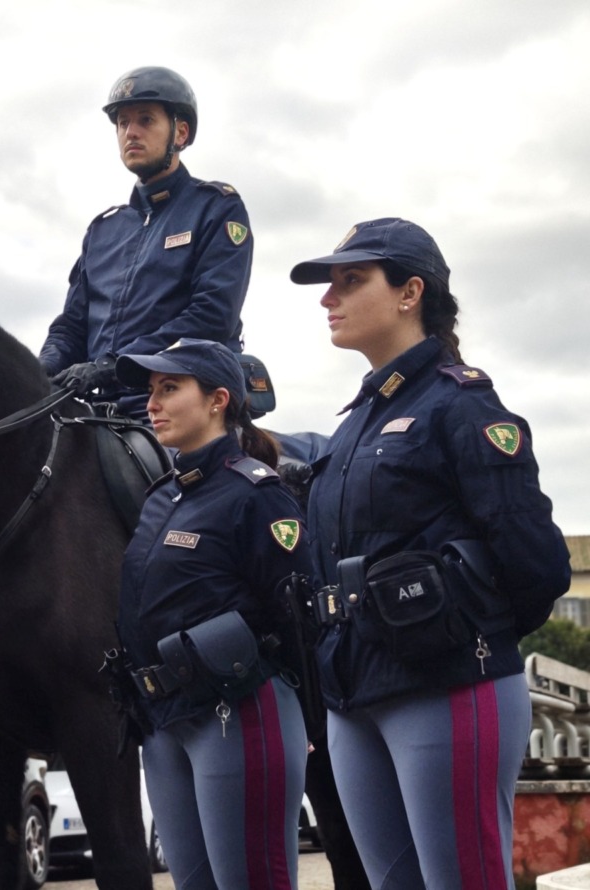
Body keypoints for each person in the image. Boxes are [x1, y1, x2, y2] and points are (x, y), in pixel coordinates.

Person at [290, 217, 571, 888]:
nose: (329, 298)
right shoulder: (352, 424)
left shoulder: (461, 405)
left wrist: (466, 636)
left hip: (448, 683)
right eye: (330, 284)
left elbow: (538, 566)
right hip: (354, 693)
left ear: (410, 292)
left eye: (351, 281)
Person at [114, 338, 310, 889]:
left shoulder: (257, 494)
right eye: (151, 391)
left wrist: (308, 717)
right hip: (164, 720)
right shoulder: (161, 498)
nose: (152, 403)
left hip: (240, 710)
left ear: (218, 400)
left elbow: (296, 616)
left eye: (170, 388)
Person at [39, 66, 254, 419]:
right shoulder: (103, 230)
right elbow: (71, 327)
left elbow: (213, 315)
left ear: (180, 133)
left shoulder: (216, 207)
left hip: (181, 406)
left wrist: (116, 365)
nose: (131, 132)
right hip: (95, 409)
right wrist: (38, 372)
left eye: (145, 120)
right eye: (123, 123)